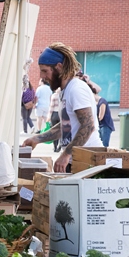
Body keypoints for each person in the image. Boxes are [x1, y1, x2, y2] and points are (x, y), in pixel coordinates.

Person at [24, 42, 103, 172]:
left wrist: (66, 154)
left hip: (88, 161)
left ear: (59, 67)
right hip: (76, 160)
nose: (42, 77)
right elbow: (66, 126)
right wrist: (37, 138)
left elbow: (88, 126)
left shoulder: (76, 89)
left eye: (45, 71)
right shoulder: (64, 91)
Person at [93, 83, 116, 148]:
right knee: (99, 145)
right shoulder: (95, 103)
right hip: (100, 126)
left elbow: (101, 116)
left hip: (105, 126)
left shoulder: (102, 102)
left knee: (104, 145)